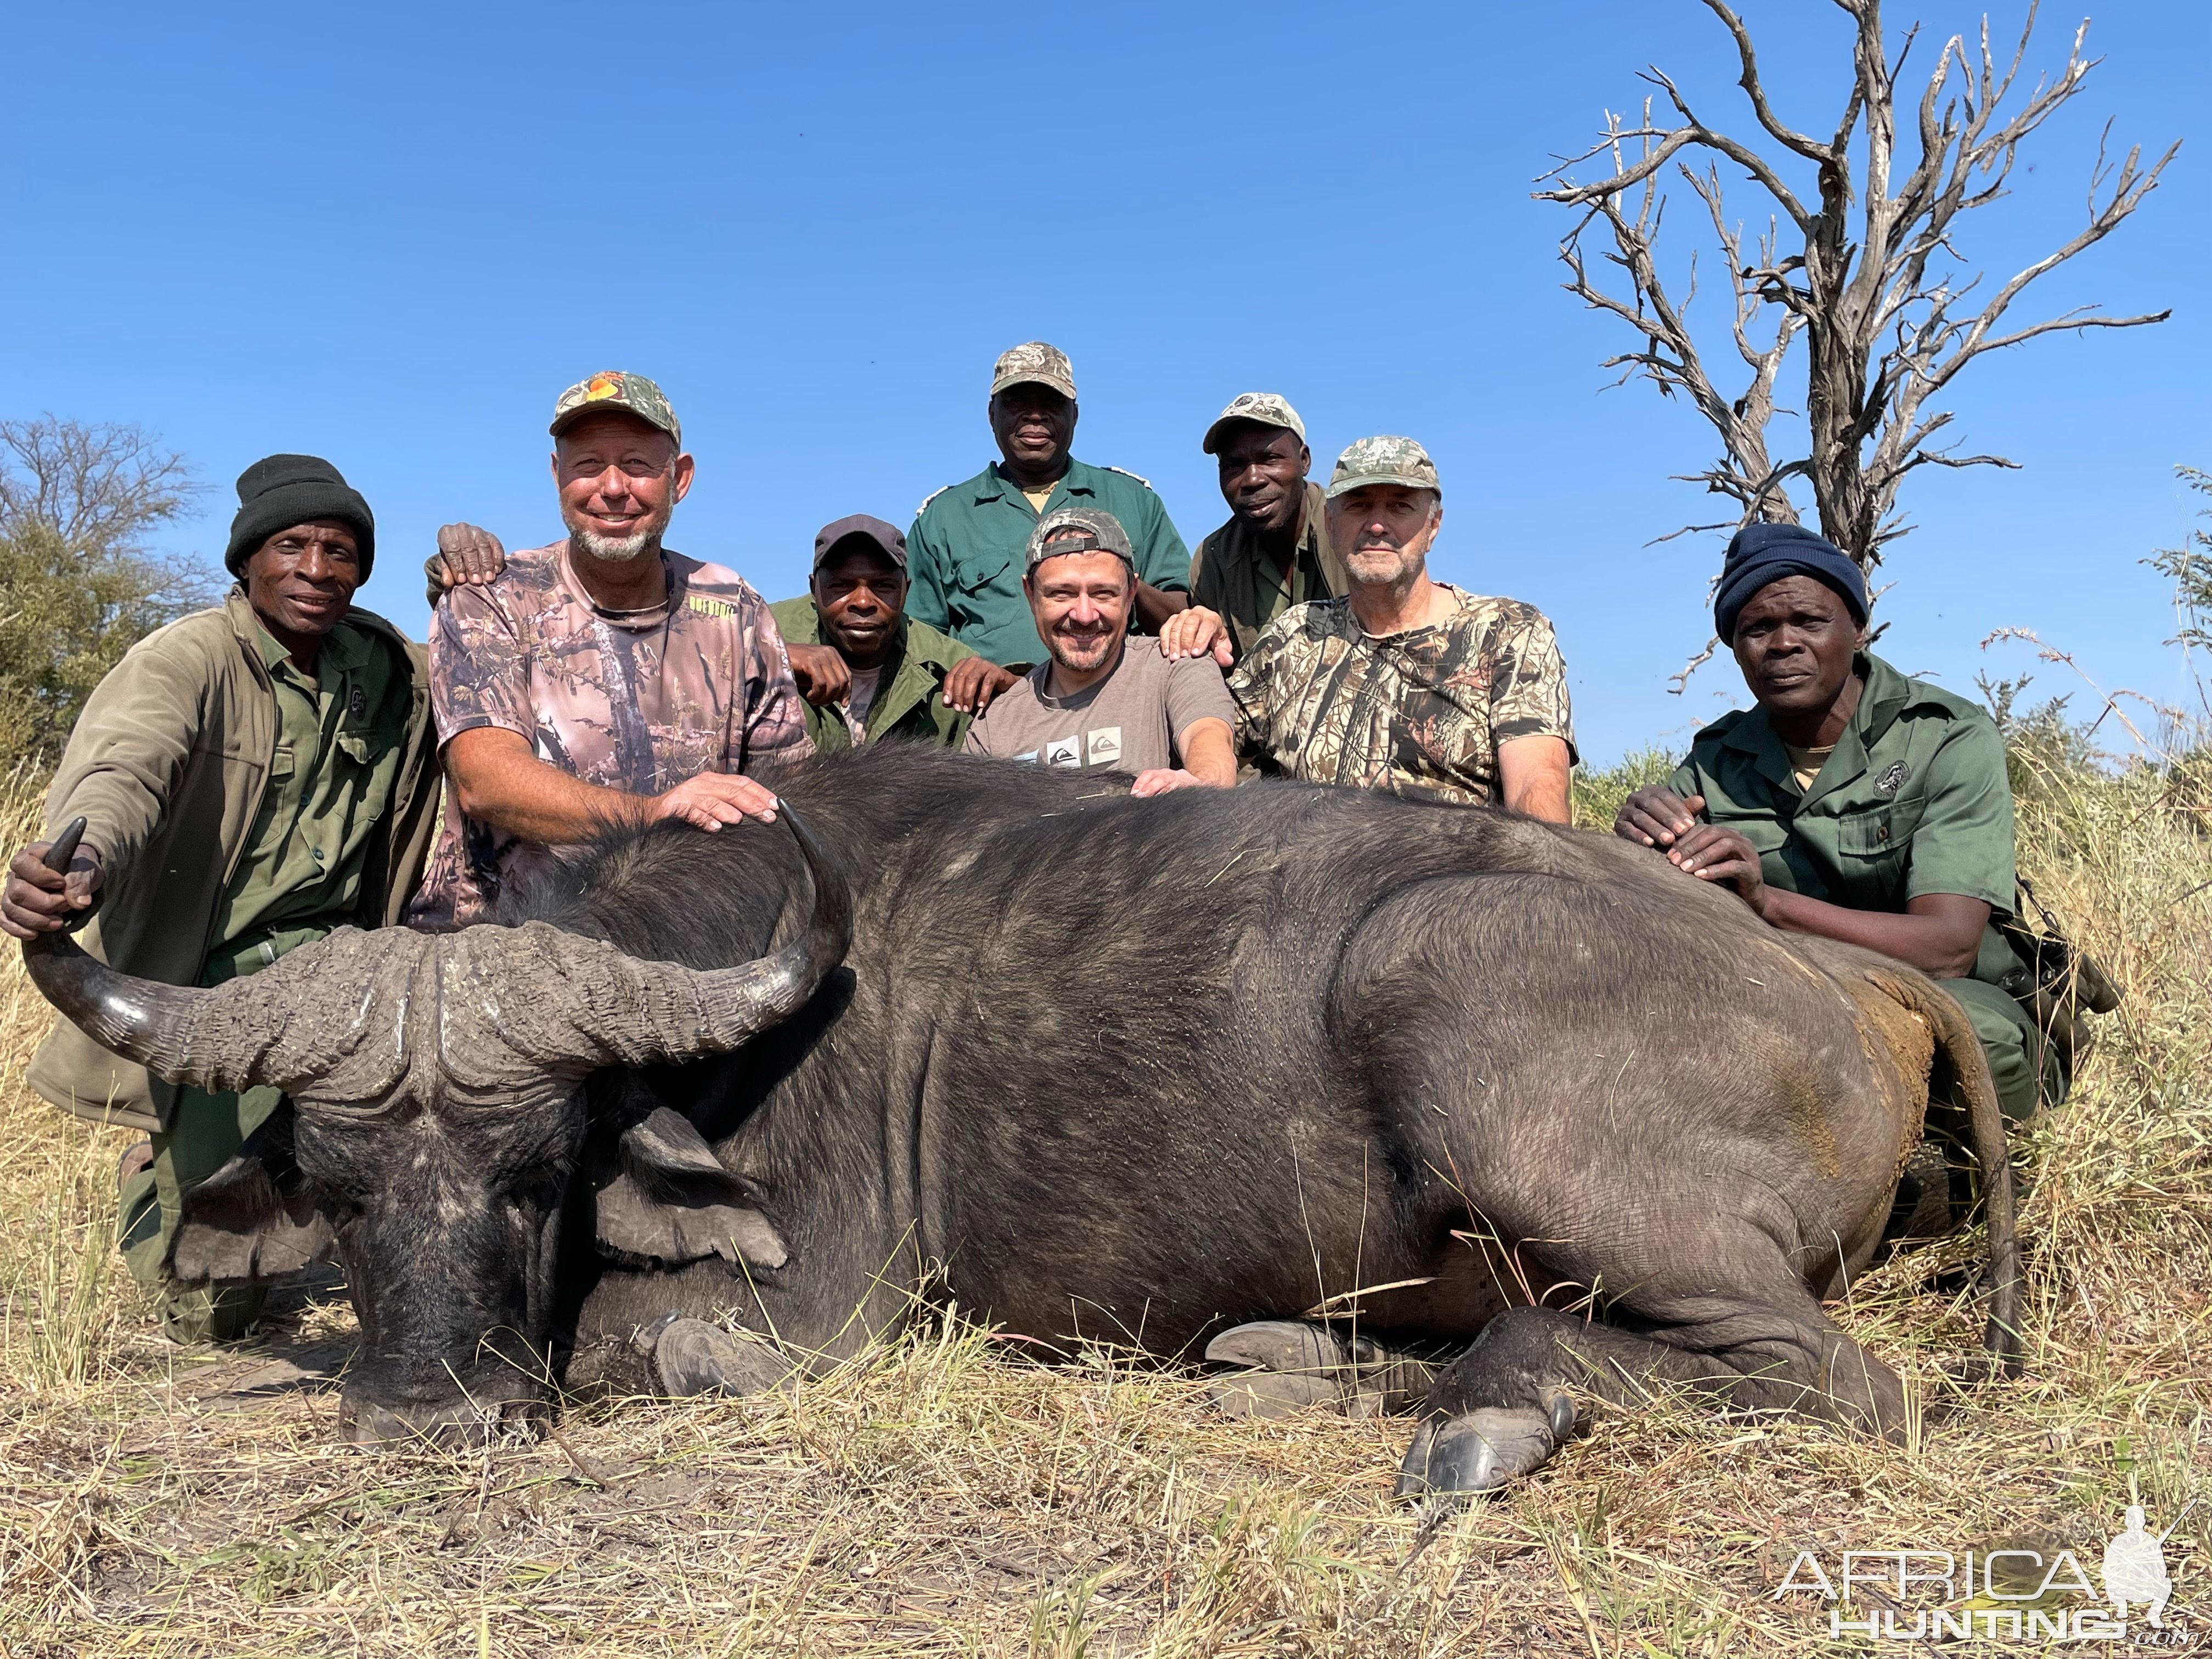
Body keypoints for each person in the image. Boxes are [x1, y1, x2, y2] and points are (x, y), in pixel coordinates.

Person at [3, 455, 501, 1343]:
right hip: (215, 978)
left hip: (350, 972)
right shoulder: (185, 658)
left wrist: (462, 588)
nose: (317, 570)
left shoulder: (387, 666)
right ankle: (153, 1167)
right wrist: (83, 864)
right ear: (246, 562)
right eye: (293, 545)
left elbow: (496, 669)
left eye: (341, 550)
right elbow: (123, 767)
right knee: (214, 1307)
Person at [1612, 521, 2062, 1120]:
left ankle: (1937, 1190)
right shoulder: (1714, 762)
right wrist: (1639, 846)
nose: (1783, 644)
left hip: (1937, 990)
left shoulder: (1944, 736)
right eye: (1757, 628)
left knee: (1974, 1041)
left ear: (1858, 629)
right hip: (1789, 999)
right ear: (1735, 646)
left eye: (1809, 622)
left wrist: (1766, 904)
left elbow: (1948, 947)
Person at [408, 371, 811, 927]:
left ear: (681, 478)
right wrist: (655, 816)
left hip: (685, 940)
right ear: (557, 475)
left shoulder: (736, 607)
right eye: (589, 464)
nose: (614, 486)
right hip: (496, 943)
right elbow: (488, 780)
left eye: (639, 465)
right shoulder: (491, 598)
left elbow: (787, 792)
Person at [1223, 437, 1576, 820]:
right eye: (1358, 506)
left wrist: (1540, 870)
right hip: (1307, 870)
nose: (1376, 525)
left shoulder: (1510, 632)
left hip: (1453, 872)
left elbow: (1536, 786)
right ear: (1330, 522)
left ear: (1433, 525)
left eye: (1400, 506)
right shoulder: (1294, 633)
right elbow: (1218, 724)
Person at [907, 341, 1191, 667]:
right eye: (1016, 402)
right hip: (990, 712)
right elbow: (918, 642)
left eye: (1052, 403)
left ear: (1075, 415)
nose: (1035, 415)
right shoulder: (944, 517)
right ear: (991, 415)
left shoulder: (1133, 501)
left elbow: (1181, 615)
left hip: (1118, 705)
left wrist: (1119, 581)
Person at [964, 507, 1235, 796]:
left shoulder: (1174, 663)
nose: (1084, 615)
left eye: (1103, 593)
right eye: (1062, 593)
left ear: (1131, 592)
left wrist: (1201, 786)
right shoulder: (994, 728)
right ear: (1031, 595)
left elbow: (1209, 741)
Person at [771, 514, 1018, 752]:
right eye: (841, 586)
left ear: (906, 590)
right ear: (814, 588)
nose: (863, 602)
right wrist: (770, 659)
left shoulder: (948, 665)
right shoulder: (762, 630)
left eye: (883, 586)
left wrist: (1011, 687)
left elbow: (1034, 718)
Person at [1161, 392, 1347, 665]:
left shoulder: (1351, 530)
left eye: (1270, 459)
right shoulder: (1214, 558)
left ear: (1304, 461)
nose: (1252, 479)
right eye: (1234, 466)